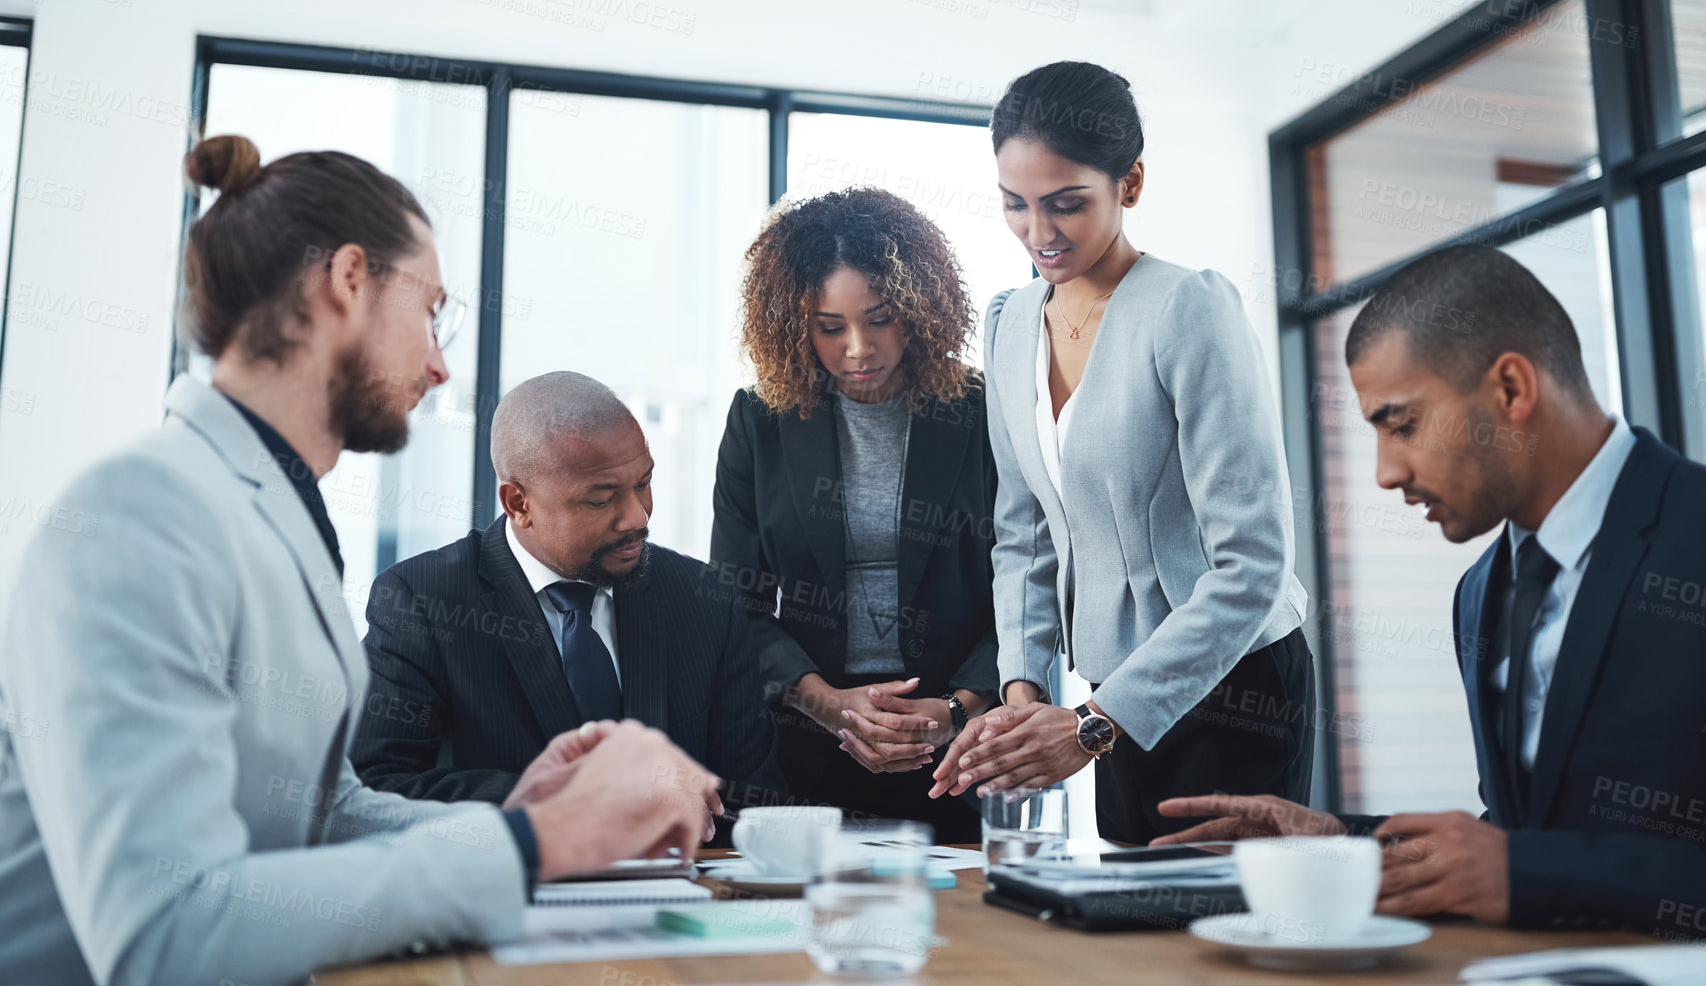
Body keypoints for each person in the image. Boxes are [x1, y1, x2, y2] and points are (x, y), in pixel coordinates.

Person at [0, 136, 717, 986]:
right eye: (432, 311)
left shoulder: (269, 508)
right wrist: (531, 844)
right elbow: (165, 933)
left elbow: (324, 808)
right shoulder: (141, 511)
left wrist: (526, 814)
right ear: (347, 279)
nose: (442, 363)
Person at [1156, 245, 1706, 934]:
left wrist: (1528, 873)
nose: (1384, 473)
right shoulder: (1480, 590)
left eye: (1402, 425)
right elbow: (1523, 833)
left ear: (1512, 389)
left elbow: (1530, 864)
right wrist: (1341, 843)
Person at [930, 62, 1314, 844]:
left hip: (1233, 684)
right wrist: (1023, 689)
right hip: (1101, 693)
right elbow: (1023, 532)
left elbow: (1252, 565)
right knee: (1130, 928)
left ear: (1128, 184)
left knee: (1215, 943)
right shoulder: (1007, 323)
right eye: (1015, 204)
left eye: (1066, 203)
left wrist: (1088, 727)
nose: (1040, 232)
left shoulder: (1186, 310)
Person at [352, 370, 781, 825]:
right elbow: (376, 786)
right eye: (600, 501)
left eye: (644, 483)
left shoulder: (704, 599)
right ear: (518, 504)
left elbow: (756, 799)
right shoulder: (423, 601)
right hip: (504, 887)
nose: (637, 516)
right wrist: (573, 800)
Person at [711, 187, 1000, 841]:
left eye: (878, 318)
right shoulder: (759, 420)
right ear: (794, 321)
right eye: (830, 326)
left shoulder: (984, 409)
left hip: (957, 749)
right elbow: (735, 603)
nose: (858, 349)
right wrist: (829, 704)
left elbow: (1029, 581)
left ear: (920, 307)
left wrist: (957, 705)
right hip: (805, 749)